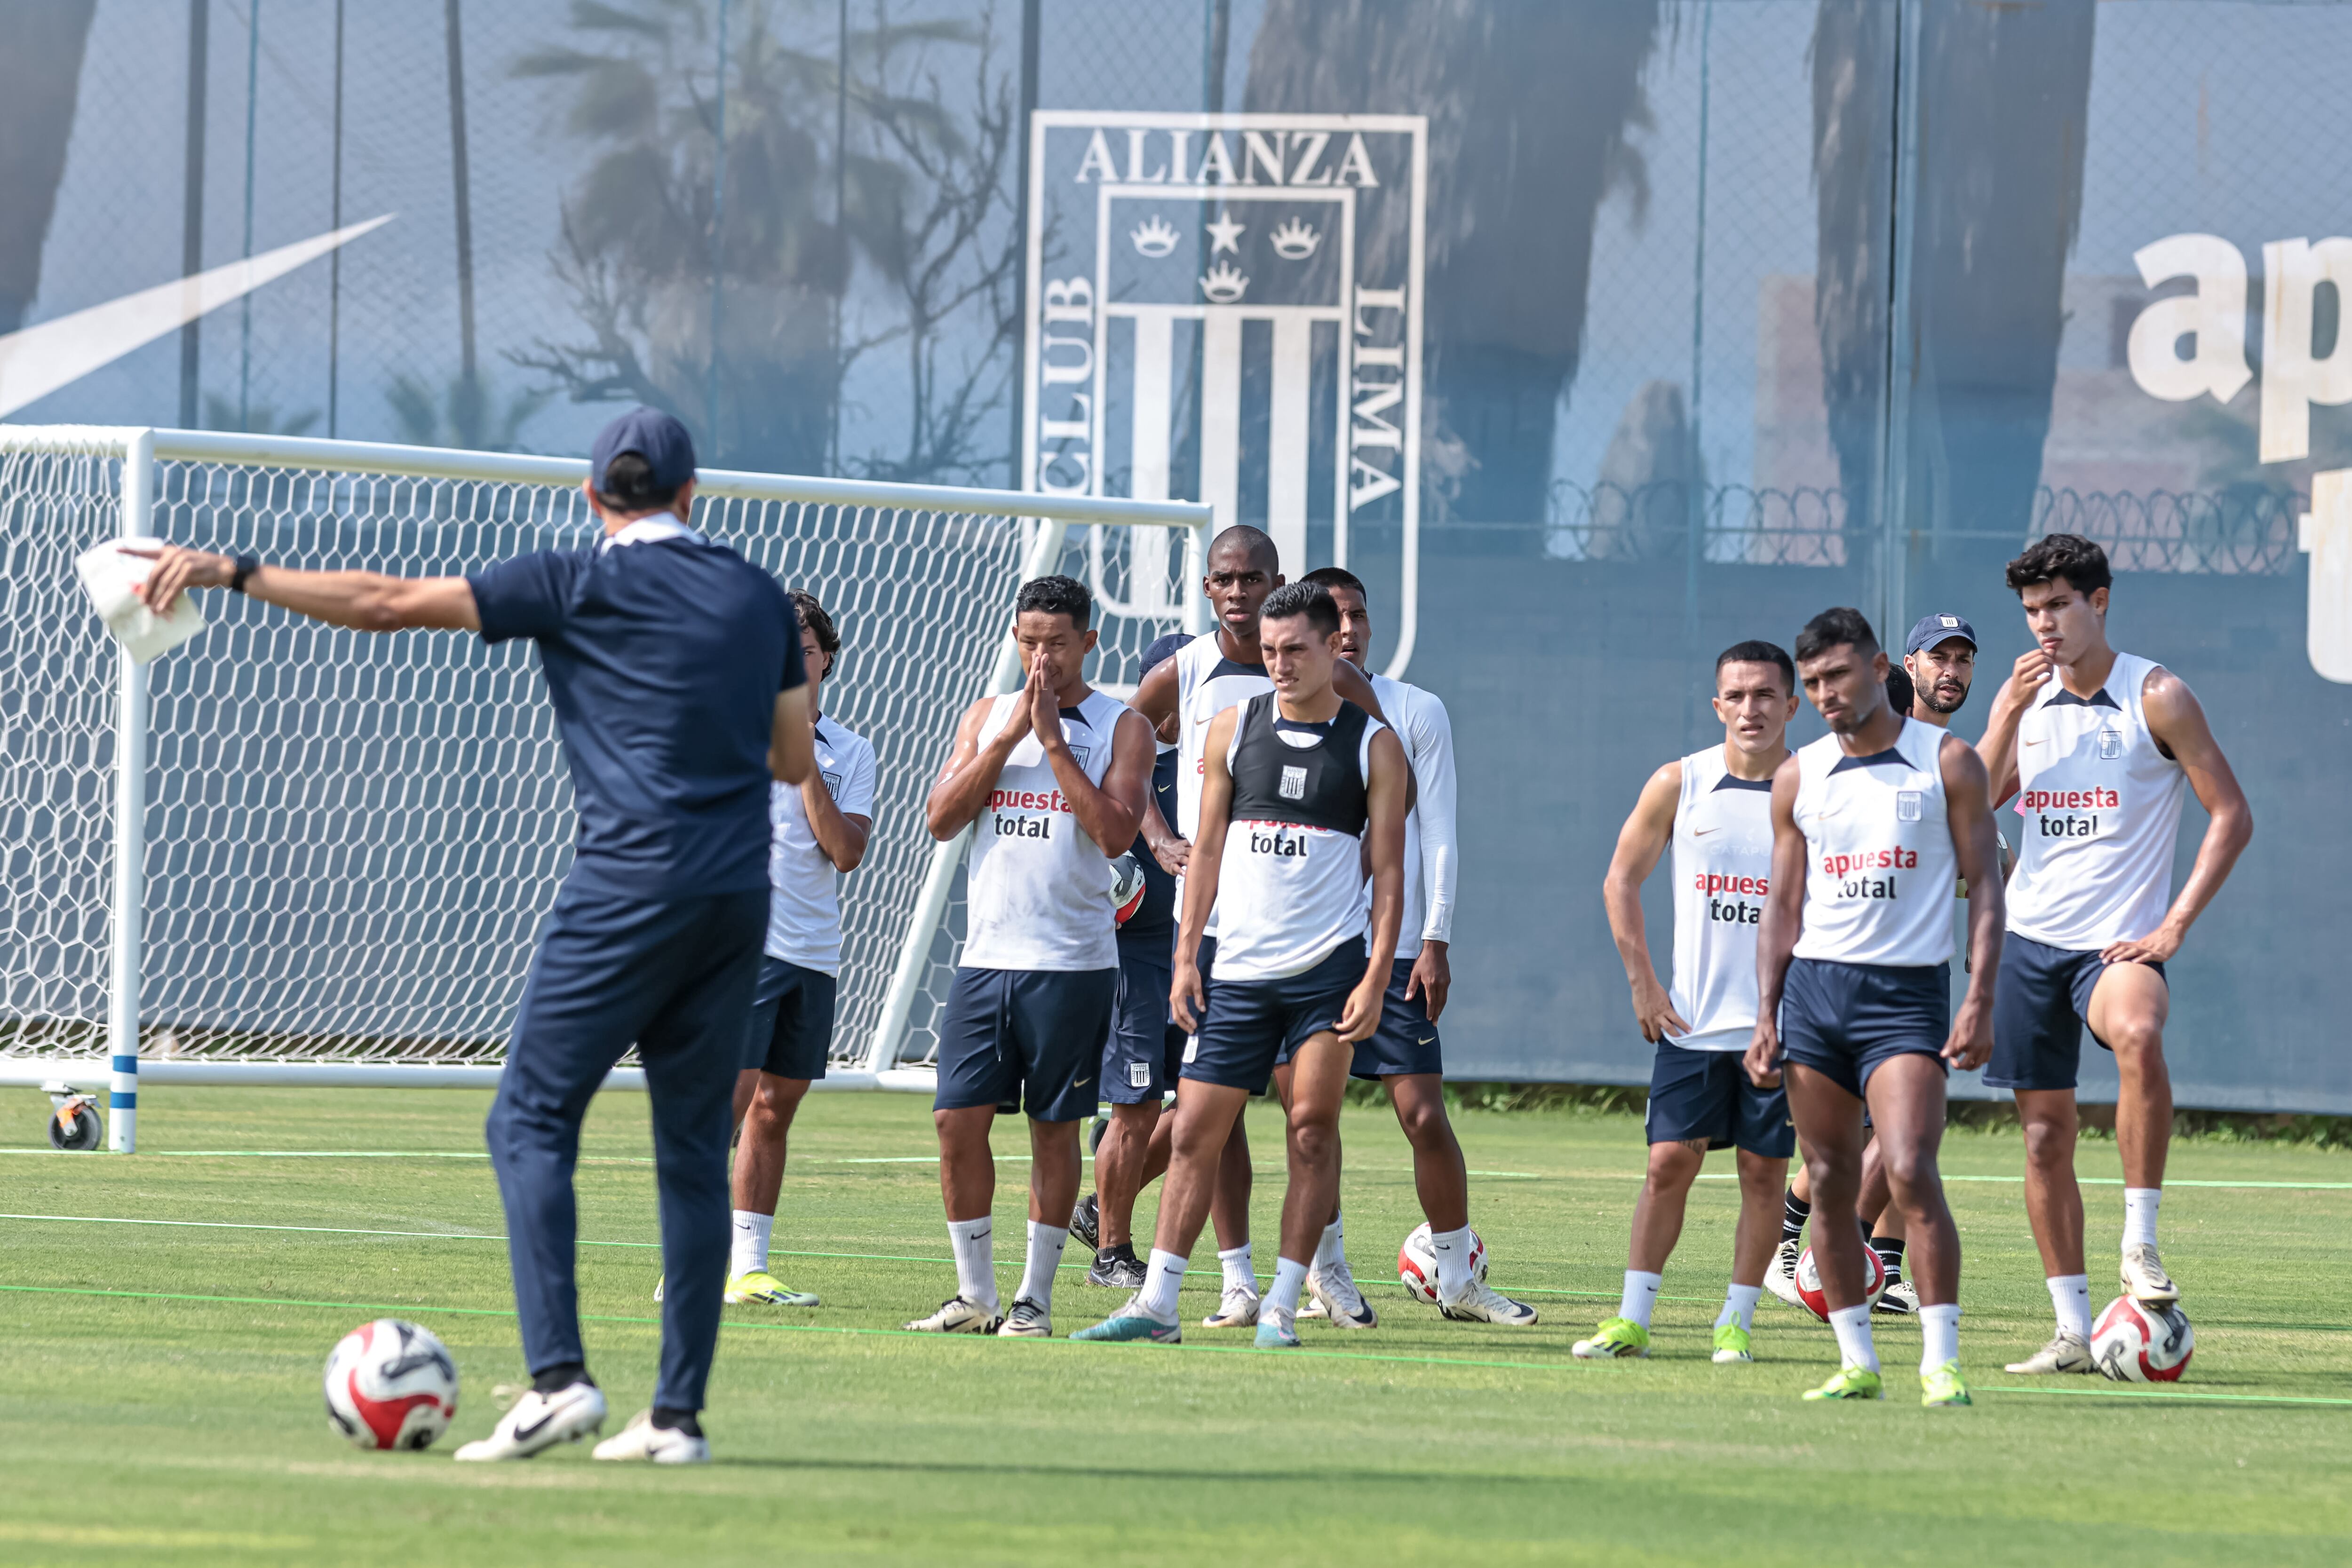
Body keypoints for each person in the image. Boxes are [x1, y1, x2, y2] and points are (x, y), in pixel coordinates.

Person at [134, 407, 815, 1464]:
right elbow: (787, 754)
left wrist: (234, 569)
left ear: (594, 500)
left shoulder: (573, 577)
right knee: (691, 1150)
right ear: (693, 495)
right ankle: (675, 1417)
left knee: (530, 1119)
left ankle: (560, 1381)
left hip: (628, 884)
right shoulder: (758, 594)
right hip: (738, 896)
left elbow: (383, 602)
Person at [1074, 583, 1409, 1348]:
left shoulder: (1373, 744)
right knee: (1194, 1130)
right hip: (1238, 973)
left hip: (1328, 973)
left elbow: (1390, 874)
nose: (1281, 665)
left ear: (1335, 648)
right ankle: (1157, 1304)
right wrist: (1189, 953)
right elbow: (1210, 852)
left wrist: (1378, 972)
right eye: (1270, 651)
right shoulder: (1231, 729)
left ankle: (1285, 1307)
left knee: (1313, 1131)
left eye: (1297, 650)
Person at [1976, 535, 2252, 1375]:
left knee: (2138, 1030)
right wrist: (2002, 718)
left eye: (2058, 604)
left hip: (2115, 946)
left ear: (2099, 602)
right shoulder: (2026, 700)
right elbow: (1974, 805)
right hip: (2028, 942)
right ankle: (2070, 1329)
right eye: (2031, 610)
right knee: (2042, 1140)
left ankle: (2141, 1244)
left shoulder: (2156, 694)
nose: (2044, 625)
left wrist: (2173, 926)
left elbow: (2231, 813)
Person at [1747, 607, 2002, 1408]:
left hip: (1905, 996)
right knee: (1825, 1178)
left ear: (1879, 666)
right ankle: (1857, 1358)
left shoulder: (1949, 762)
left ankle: (1942, 1361)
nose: (1826, 693)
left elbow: (1988, 886)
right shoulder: (1799, 775)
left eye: (1839, 676)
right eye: (1813, 681)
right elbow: (1782, 907)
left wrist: (1980, 997)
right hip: (1817, 995)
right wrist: (1765, 1013)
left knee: (1910, 1167)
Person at [1285, 566, 1534, 1326]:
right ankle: (1326, 1270)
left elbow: (1440, 831)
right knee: (1308, 1120)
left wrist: (1436, 938)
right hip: (1311, 949)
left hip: (1394, 955)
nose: (1350, 628)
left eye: (1357, 614)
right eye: (1334, 617)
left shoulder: (1415, 709)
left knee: (1423, 1115)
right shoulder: (1276, 719)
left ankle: (1458, 1278)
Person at [910, 575, 1153, 1338]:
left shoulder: (1125, 726)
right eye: (1028, 640)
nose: (1040, 655)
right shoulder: (986, 715)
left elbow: (1115, 832)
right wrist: (1013, 735)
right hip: (987, 959)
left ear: (1088, 642)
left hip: (1074, 965)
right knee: (956, 1120)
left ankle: (1033, 1301)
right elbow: (942, 818)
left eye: (1055, 641)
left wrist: (1052, 742)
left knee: (1054, 1129)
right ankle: (974, 1294)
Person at [1581, 641, 1801, 1364]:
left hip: (1780, 1028)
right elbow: (1620, 879)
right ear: (1717, 706)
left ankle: (1734, 1322)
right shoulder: (1682, 781)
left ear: (1792, 705)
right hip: (1694, 1023)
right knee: (1668, 1163)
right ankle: (1632, 1319)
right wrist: (1644, 981)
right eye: (1736, 696)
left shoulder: (1817, 787)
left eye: (1766, 695)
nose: (1751, 709)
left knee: (1764, 1174)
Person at [723, 592, 874, 1308]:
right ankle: (692, 1257)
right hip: (742, 944)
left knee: (775, 1109)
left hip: (815, 951)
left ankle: (747, 1268)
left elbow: (844, 851)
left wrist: (804, 750)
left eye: (805, 650)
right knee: (725, 1104)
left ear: (825, 659)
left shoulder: (851, 749)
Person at [1079, 629, 1191, 1291]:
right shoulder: (1124, 762)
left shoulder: (1220, 754)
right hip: (1139, 957)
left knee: (1210, 1105)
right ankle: (1112, 1254)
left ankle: (1097, 1211)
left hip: (1203, 956)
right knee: (1137, 1105)